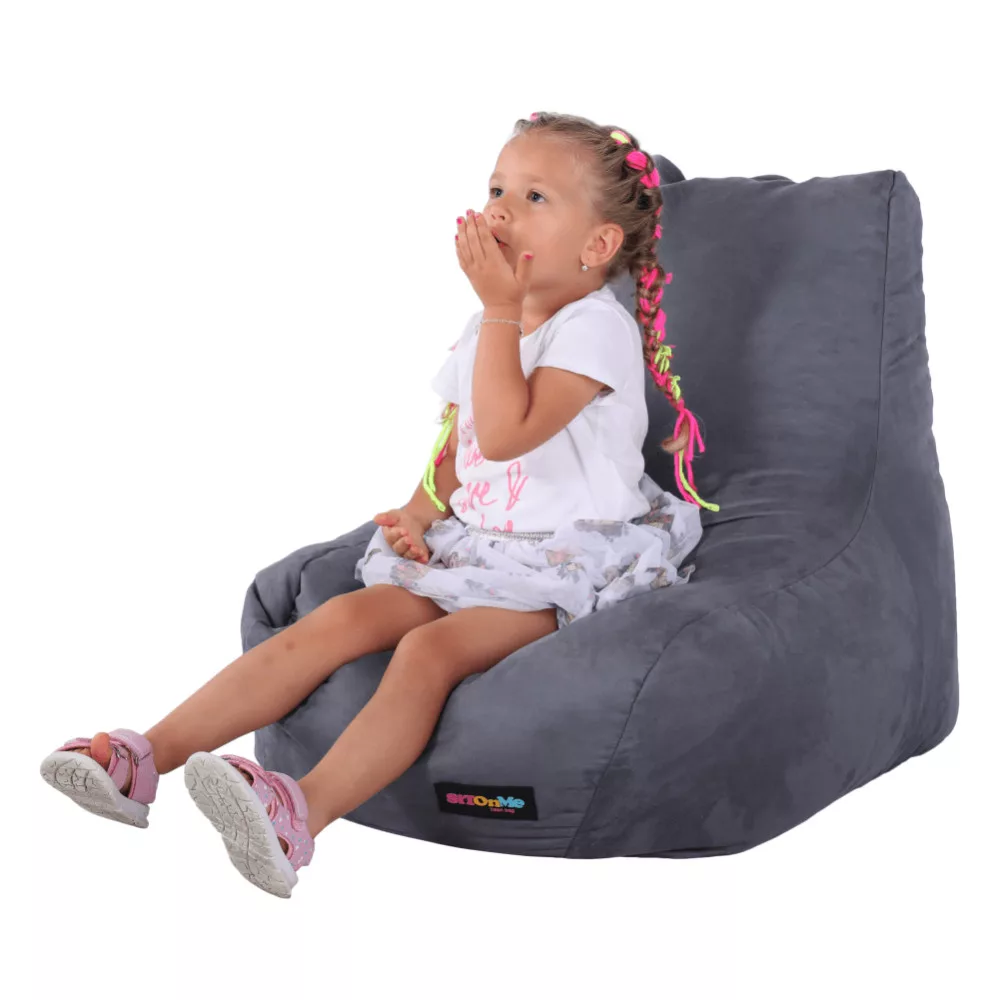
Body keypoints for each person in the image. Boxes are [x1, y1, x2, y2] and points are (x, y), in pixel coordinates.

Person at [39, 111, 720, 899]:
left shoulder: (593, 329)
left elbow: (509, 434)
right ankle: (143, 760)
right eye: (495, 189)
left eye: (533, 197)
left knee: (428, 652)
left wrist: (501, 309)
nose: (500, 210)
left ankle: (300, 814)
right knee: (339, 619)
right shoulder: (486, 325)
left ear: (596, 246)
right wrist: (420, 510)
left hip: (569, 559)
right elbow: (463, 440)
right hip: (483, 543)